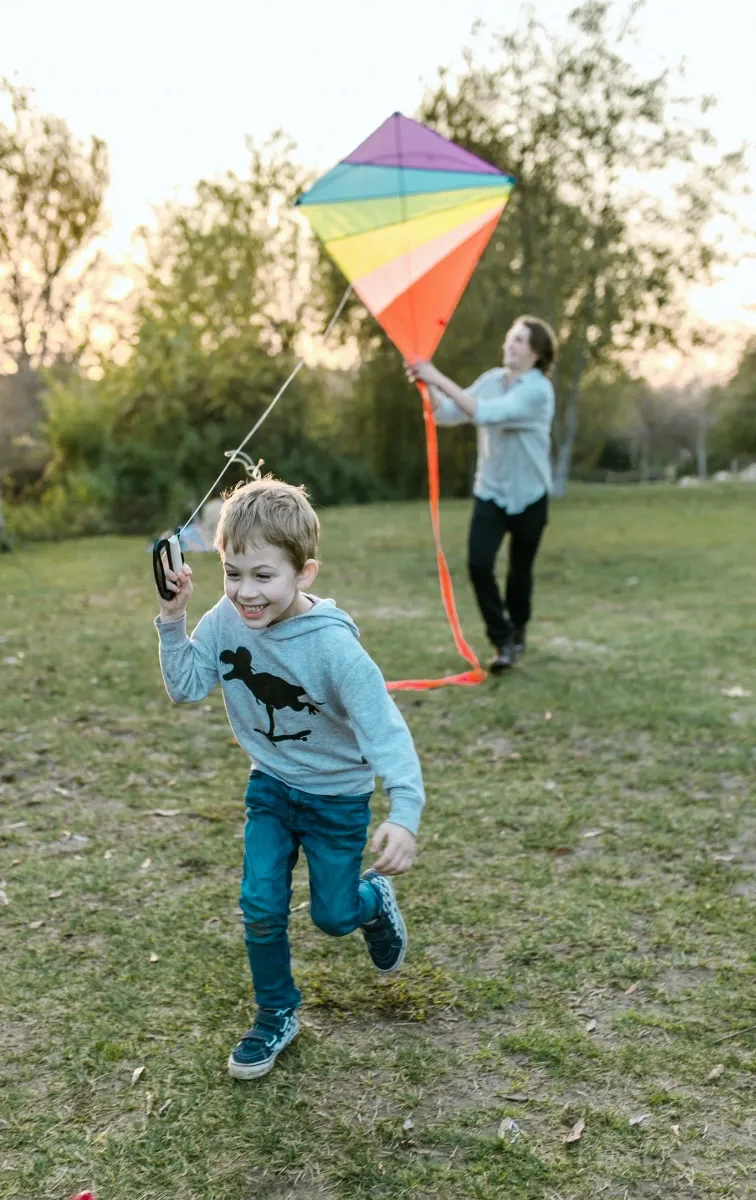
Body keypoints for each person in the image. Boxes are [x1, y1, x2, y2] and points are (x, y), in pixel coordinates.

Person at [154, 477, 424, 1080]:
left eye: (262, 576)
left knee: (332, 916)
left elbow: (387, 733)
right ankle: (276, 1011)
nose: (245, 593)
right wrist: (174, 619)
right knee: (260, 903)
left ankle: (370, 902)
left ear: (304, 573)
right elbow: (187, 686)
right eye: (232, 573)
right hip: (272, 788)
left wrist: (403, 813)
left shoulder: (336, 652)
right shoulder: (228, 619)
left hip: (337, 800)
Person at [408, 316, 557, 675]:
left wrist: (435, 375)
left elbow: (486, 414)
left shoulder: (537, 391)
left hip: (531, 496)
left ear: (536, 352)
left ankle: (517, 628)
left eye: (519, 340)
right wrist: (425, 385)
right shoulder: (492, 380)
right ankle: (502, 640)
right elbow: (445, 414)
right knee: (478, 564)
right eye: (510, 337)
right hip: (490, 491)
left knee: (520, 573)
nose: (510, 344)